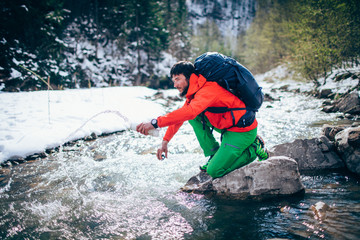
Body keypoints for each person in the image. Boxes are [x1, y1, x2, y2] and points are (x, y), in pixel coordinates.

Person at [136, 61, 269, 178]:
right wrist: (165, 141)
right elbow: (181, 116)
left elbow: (189, 112)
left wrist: (155, 123)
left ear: (190, 77)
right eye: (173, 80)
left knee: (214, 171)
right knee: (193, 118)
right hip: (228, 126)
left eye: (178, 79)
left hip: (241, 131)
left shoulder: (208, 89)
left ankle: (253, 148)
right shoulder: (195, 92)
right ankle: (214, 154)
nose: (175, 84)